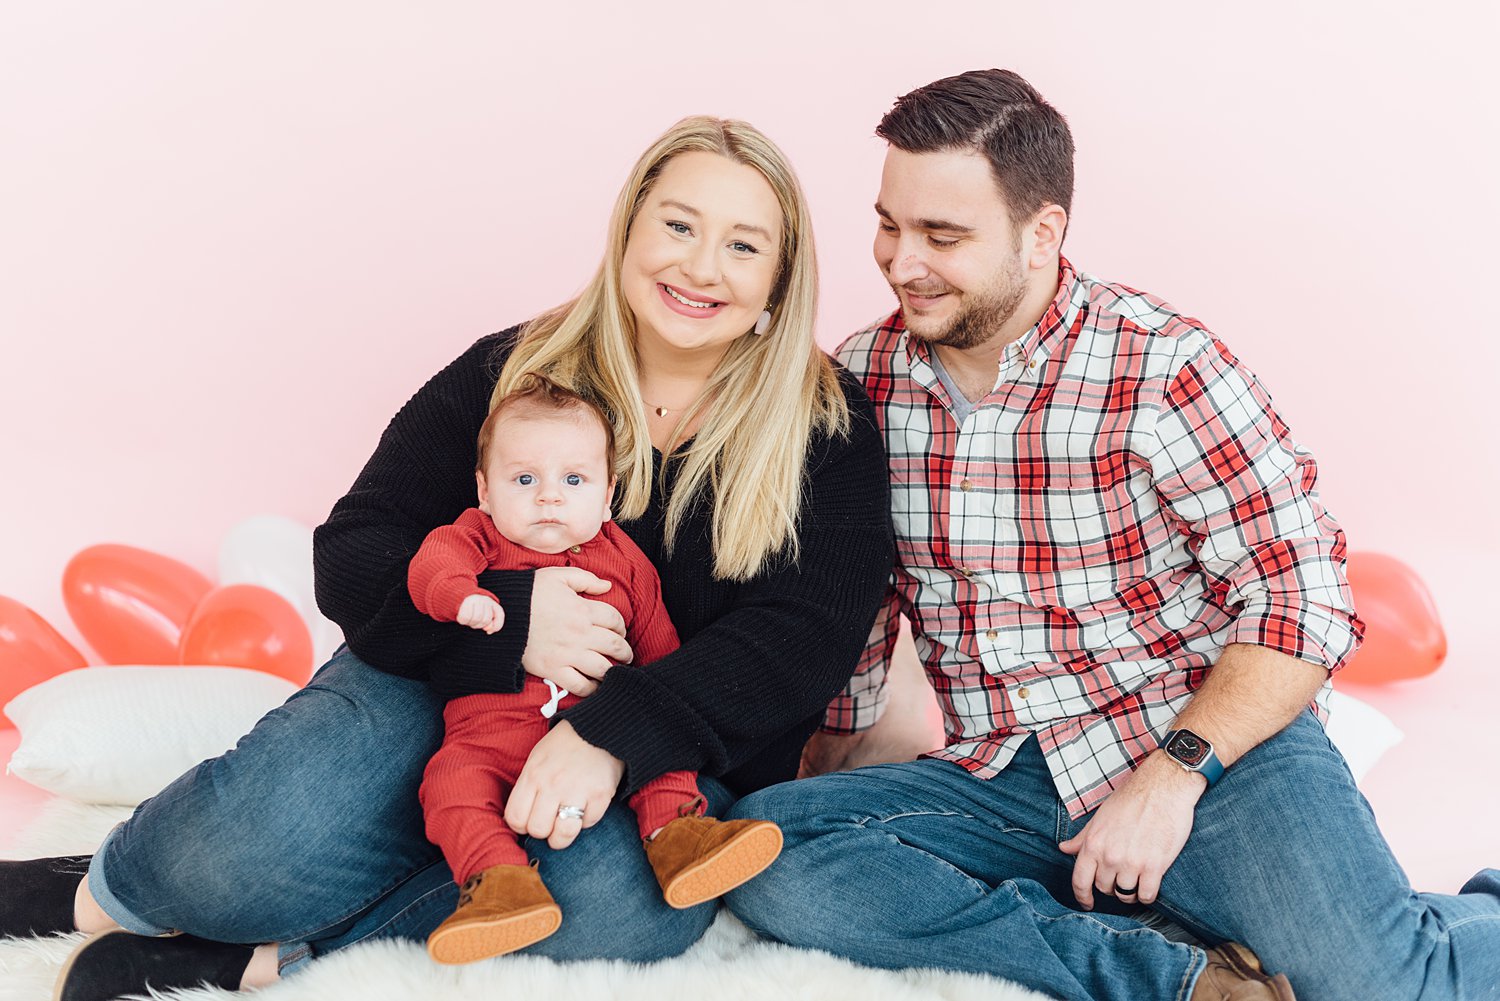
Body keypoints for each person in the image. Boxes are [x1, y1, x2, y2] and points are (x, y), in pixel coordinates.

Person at [1, 116, 894, 1001]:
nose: (700, 267)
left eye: (743, 245)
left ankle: (269, 960)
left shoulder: (828, 428)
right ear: (629, 229)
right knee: (236, 853)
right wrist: (509, 626)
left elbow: (800, 642)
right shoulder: (517, 369)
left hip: (657, 756)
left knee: (619, 908)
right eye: (678, 224)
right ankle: (98, 888)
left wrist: (611, 731)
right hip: (445, 691)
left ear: (779, 278)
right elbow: (357, 547)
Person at [725, 69, 1500, 1001]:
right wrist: (825, 776)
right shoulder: (862, 381)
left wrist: (1170, 778)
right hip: (1003, 777)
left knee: (1384, 986)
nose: (901, 260)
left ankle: (1422, 918)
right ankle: (1175, 971)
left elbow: (1303, 593)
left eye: (943, 235)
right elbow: (862, 617)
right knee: (769, 847)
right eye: (890, 223)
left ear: (1041, 233)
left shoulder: (1162, 366)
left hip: (1205, 753)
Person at [409, 373, 781, 964]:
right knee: (449, 784)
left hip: (600, 726)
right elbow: (433, 561)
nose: (549, 497)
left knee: (660, 757)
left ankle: (679, 837)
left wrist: (653, 720)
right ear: (484, 490)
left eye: (573, 480)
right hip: (489, 736)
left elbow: (659, 647)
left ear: (608, 493)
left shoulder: (626, 562)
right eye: (524, 479)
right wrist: (461, 597)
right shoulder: (478, 535)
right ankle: (499, 884)